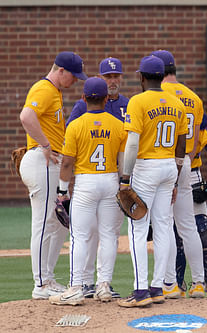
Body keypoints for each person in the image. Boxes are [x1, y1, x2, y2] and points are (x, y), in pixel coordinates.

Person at [48, 77, 128, 305]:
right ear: (105, 99)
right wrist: (124, 183)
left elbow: (66, 163)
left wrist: (62, 191)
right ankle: (104, 285)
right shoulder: (117, 125)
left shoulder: (75, 125)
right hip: (110, 180)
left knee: (80, 236)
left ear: (83, 98)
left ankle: (75, 287)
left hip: (86, 181)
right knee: (109, 235)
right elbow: (122, 161)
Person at [117, 55, 187, 308]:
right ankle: (158, 287)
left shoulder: (138, 101)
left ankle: (140, 291)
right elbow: (182, 144)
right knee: (164, 225)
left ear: (142, 77)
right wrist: (176, 177)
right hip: (169, 165)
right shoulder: (176, 103)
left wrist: (125, 178)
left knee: (137, 228)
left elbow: (133, 143)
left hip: (146, 166)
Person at [19, 51, 87, 300]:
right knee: (43, 222)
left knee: (58, 222)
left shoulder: (54, 92)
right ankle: (40, 283)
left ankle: (48, 278)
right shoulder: (44, 88)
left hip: (51, 163)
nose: (76, 81)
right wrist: (45, 145)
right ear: (61, 71)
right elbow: (26, 116)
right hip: (41, 160)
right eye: (73, 76)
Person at [66, 57, 129, 299]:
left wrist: (63, 188)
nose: (113, 80)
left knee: (90, 235)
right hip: (109, 177)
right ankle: (91, 283)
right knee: (98, 234)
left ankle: (86, 285)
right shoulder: (84, 109)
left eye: (116, 76)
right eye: (108, 77)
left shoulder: (127, 104)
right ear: (102, 83)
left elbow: (69, 151)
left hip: (92, 179)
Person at [150, 50, 206, 298]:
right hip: (187, 163)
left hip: (164, 163)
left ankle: (170, 284)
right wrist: (187, 163)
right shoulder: (194, 97)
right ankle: (199, 283)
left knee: (164, 225)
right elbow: (193, 141)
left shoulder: (157, 95)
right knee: (188, 226)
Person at [175, 113, 207, 297]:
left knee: (203, 228)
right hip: (165, 173)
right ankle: (176, 282)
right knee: (173, 232)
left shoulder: (196, 113)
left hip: (193, 174)